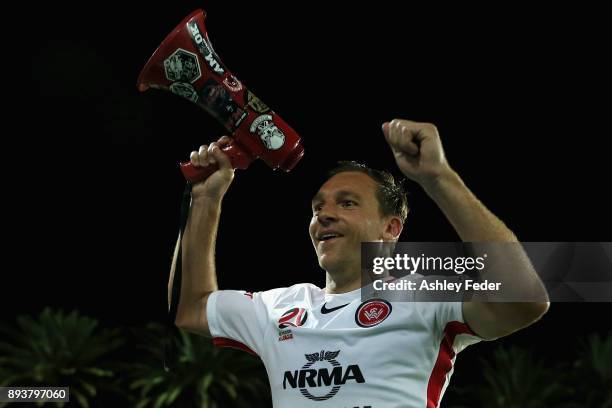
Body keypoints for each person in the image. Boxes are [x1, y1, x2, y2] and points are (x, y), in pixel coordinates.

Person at [168, 119, 550, 407]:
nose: (324, 216)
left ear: (391, 227)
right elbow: (192, 309)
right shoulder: (279, 308)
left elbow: (525, 299)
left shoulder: (423, 293)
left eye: (347, 203)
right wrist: (205, 199)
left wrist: (438, 178)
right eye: (318, 208)